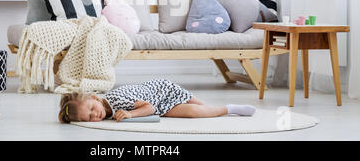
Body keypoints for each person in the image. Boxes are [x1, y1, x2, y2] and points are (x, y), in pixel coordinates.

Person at [58, 78, 256, 123]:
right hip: (160, 106)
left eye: (92, 108)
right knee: (194, 113)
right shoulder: (107, 111)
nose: (96, 115)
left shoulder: (116, 100)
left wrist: (130, 114)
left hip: (163, 91)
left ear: (95, 98)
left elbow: (149, 107)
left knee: (201, 106)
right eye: (89, 118)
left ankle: (229, 108)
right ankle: (227, 109)